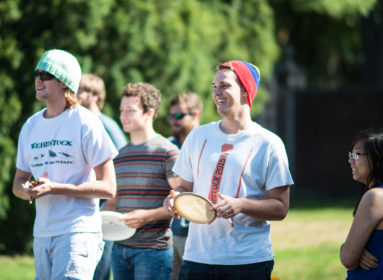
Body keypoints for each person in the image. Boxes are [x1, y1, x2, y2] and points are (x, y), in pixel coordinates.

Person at [164, 60, 294, 280]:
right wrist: (174, 198)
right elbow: (184, 187)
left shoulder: (268, 143)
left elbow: (280, 208)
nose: (217, 92)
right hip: (197, 259)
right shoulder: (198, 136)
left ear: (245, 90)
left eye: (224, 85)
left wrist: (241, 205)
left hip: (247, 261)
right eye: (214, 87)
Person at [12, 49, 118, 280]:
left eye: (46, 74)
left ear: (64, 82)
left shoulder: (86, 122)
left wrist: (55, 187)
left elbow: (109, 187)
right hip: (42, 234)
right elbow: (18, 181)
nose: (38, 80)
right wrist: (26, 190)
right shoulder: (30, 126)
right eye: (36, 73)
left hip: (77, 231)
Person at [103, 82, 179, 280]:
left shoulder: (168, 152)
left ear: (149, 113)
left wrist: (146, 216)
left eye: (130, 111)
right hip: (119, 250)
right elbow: (114, 200)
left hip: (153, 251)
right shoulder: (119, 155)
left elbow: (182, 201)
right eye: (122, 110)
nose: (123, 116)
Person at [78, 73, 127, 280]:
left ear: (96, 96)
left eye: (82, 90)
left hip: (104, 213)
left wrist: (112, 203)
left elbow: (124, 165)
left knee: (99, 271)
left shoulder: (107, 126)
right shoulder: (78, 123)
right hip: (82, 212)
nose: (77, 94)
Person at [168, 92, 202, 280]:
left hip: (198, 234)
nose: (174, 120)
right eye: (171, 115)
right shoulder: (167, 145)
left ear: (195, 115)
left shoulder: (206, 143)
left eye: (179, 115)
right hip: (171, 233)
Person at [340, 128, 383, 279]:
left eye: (357, 154)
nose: (350, 160)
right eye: (351, 154)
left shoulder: (375, 197)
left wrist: (347, 250)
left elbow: (348, 259)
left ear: (377, 159)